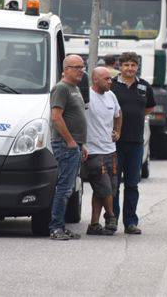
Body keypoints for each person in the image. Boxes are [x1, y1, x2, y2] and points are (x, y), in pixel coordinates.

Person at [110, 52, 155, 235]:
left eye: (133, 65)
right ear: (120, 66)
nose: (130, 68)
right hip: (114, 143)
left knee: (132, 184)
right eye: (126, 65)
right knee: (113, 184)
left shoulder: (144, 86)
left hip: (136, 142)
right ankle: (111, 220)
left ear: (137, 67)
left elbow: (150, 107)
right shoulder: (111, 84)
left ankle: (130, 222)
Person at [49, 55, 88, 240]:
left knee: (69, 188)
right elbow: (56, 117)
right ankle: (56, 228)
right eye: (76, 67)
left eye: (82, 66)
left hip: (75, 145)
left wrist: (81, 144)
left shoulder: (75, 88)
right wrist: (71, 141)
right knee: (64, 188)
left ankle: (61, 226)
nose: (81, 70)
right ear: (65, 69)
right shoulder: (61, 88)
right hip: (65, 145)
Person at [84, 67, 122, 235]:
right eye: (106, 79)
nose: (110, 81)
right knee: (104, 187)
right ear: (95, 80)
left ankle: (93, 224)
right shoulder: (86, 97)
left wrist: (117, 130)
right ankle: (111, 216)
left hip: (110, 149)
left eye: (110, 78)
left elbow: (118, 114)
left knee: (108, 189)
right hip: (92, 151)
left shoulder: (111, 96)